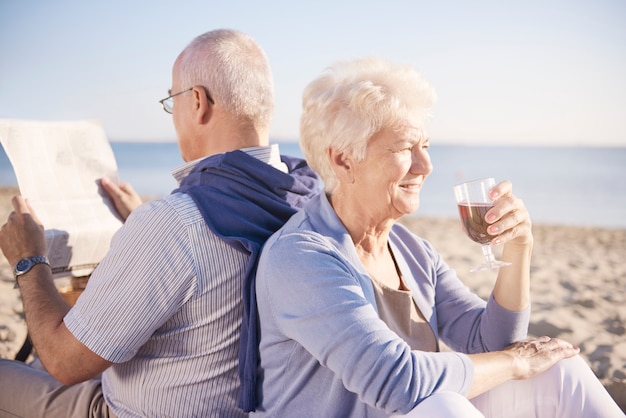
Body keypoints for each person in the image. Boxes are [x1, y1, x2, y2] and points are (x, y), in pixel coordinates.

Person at [248, 57, 624, 417]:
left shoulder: (411, 250)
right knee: (444, 407)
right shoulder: (300, 256)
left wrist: (519, 247)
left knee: (561, 371)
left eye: (425, 146)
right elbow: (399, 383)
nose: (426, 166)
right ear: (344, 159)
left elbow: (489, 342)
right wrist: (516, 362)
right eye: (403, 149)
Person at [0, 29, 320, 417]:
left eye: (173, 101)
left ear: (198, 102)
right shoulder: (310, 200)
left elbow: (65, 363)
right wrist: (143, 223)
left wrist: (29, 260)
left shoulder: (174, 225)